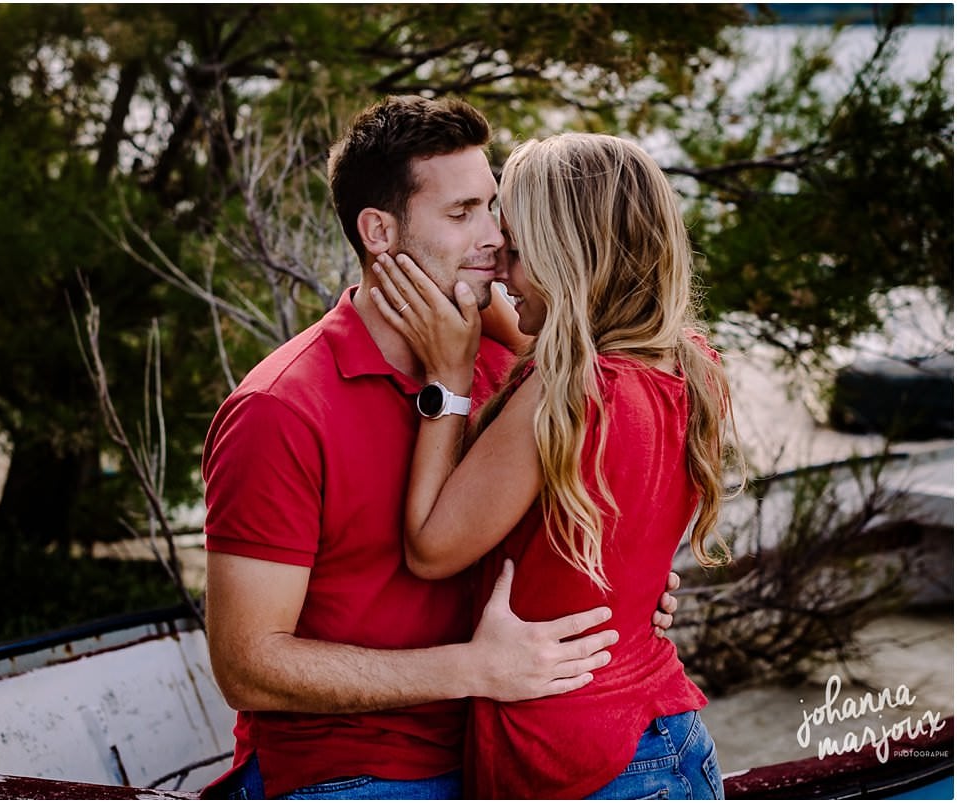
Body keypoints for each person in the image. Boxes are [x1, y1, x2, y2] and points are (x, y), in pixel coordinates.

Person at [200, 97, 679, 800]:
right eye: (461, 215)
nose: (495, 237)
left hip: (513, 739)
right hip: (362, 768)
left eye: (494, 206)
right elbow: (246, 665)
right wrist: (473, 669)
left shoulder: (513, 360)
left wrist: (636, 589)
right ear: (379, 232)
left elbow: (619, 454)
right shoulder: (279, 410)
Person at [370, 132, 740, 799]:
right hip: (667, 730)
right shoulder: (694, 365)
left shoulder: (570, 393)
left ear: (564, 256)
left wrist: (449, 380)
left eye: (516, 248)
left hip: (585, 765)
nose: (504, 270)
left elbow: (430, 546)